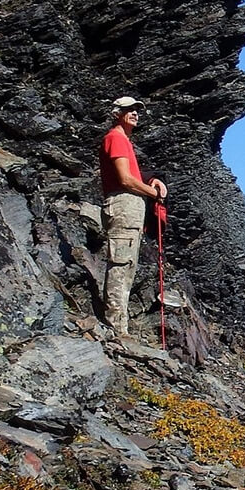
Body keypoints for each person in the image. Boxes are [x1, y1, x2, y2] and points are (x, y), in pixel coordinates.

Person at [99, 96, 167, 336]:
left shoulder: (123, 140)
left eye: (137, 110)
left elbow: (132, 175)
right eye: (129, 110)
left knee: (127, 263)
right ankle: (116, 328)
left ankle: (119, 326)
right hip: (124, 203)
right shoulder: (116, 138)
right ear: (117, 113)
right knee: (121, 263)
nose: (135, 113)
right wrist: (153, 193)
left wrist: (152, 180)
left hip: (130, 205)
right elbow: (125, 179)